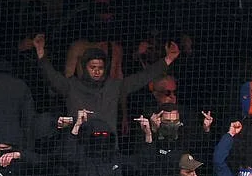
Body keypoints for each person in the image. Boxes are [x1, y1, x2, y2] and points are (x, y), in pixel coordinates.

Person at [33, 34, 179, 132]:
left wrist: (168, 60)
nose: (97, 71)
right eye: (93, 67)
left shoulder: (114, 86)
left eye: (100, 68)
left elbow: (142, 77)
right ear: (85, 67)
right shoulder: (71, 86)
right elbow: (51, 77)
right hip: (80, 151)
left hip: (108, 153)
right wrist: (40, 53)